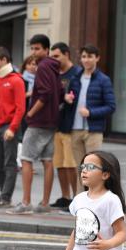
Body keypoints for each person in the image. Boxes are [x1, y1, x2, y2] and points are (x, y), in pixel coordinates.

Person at [12, 34, 63, 214]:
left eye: (37, 48)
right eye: (32, 48)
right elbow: (60, 91)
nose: (34, 52)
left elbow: (45, 93)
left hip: (38, 121)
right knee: (47, 161)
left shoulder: (42, 67)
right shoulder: (54, 67)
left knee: (26, 159)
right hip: (52, 121)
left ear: (46, 49)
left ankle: (26, 202)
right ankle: (45, 203)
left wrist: (30, 112)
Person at [66, 44, 116, 175]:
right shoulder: (75, 78)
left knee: (92, 168)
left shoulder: (104, 80)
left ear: (97, 58)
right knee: (80, 169)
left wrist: (91, 112)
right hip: (75, 129)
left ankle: (93, 195)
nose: (86, 60)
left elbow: (111, 106)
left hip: (93, 130)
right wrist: (67, 99)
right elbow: (70, 98)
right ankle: (79, 196)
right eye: (83, 57)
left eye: (90, 57)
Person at [0, 46, 26, 207]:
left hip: (9, 126)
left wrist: (13, 128)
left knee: (9, 163)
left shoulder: (17, 80)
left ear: (4, 60)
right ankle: (4, 193)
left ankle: (6, 197)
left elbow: (21, 107)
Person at [50, 42, 83, 209]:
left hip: (71, 125)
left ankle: (76, 197)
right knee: (60, 164)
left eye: (57, 56)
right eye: (52, 56)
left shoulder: (77, 73)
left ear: (66, 54)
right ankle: (65, 197)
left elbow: (79, 97)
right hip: (56, 124)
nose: (54, 60)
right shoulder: (54, 73)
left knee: (71, 164)